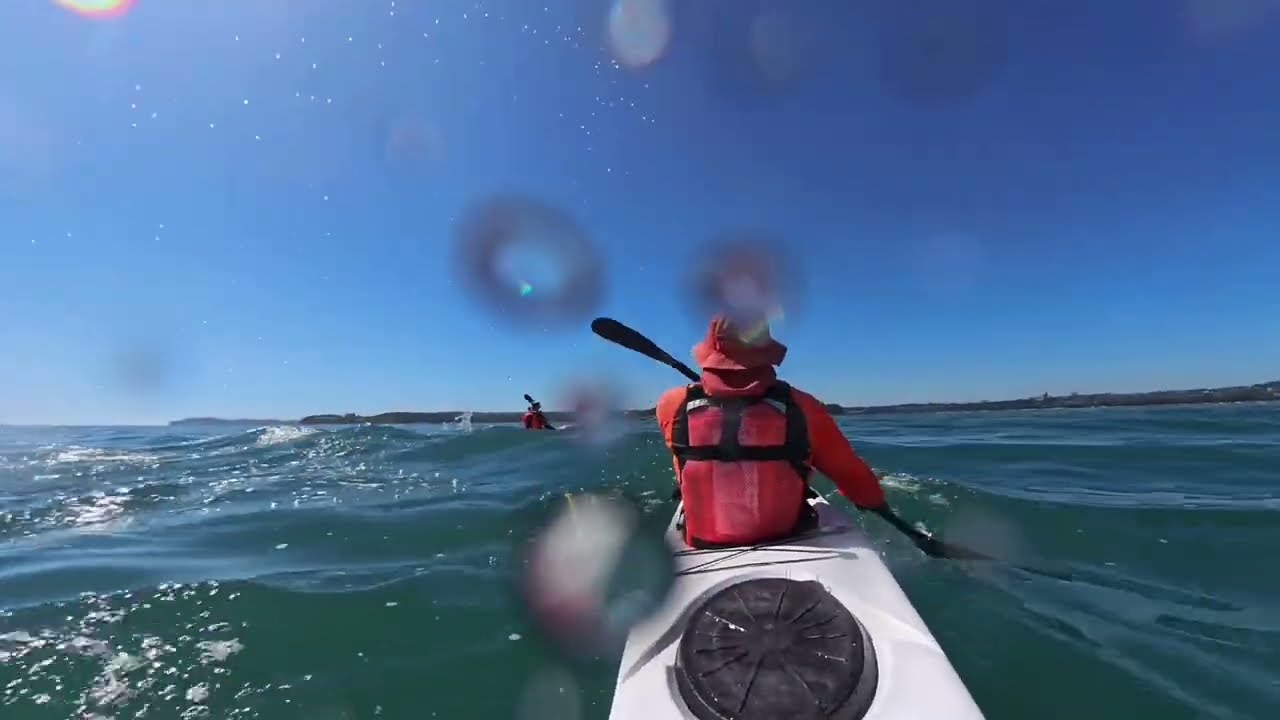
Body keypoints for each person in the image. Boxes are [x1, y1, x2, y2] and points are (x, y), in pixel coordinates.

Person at [656, 315, 887, 548]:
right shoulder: (804, 406)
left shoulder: (672, 404)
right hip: (787, 536)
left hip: (704, 542)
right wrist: (873, 500)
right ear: (765, 351)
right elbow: (855, 479)